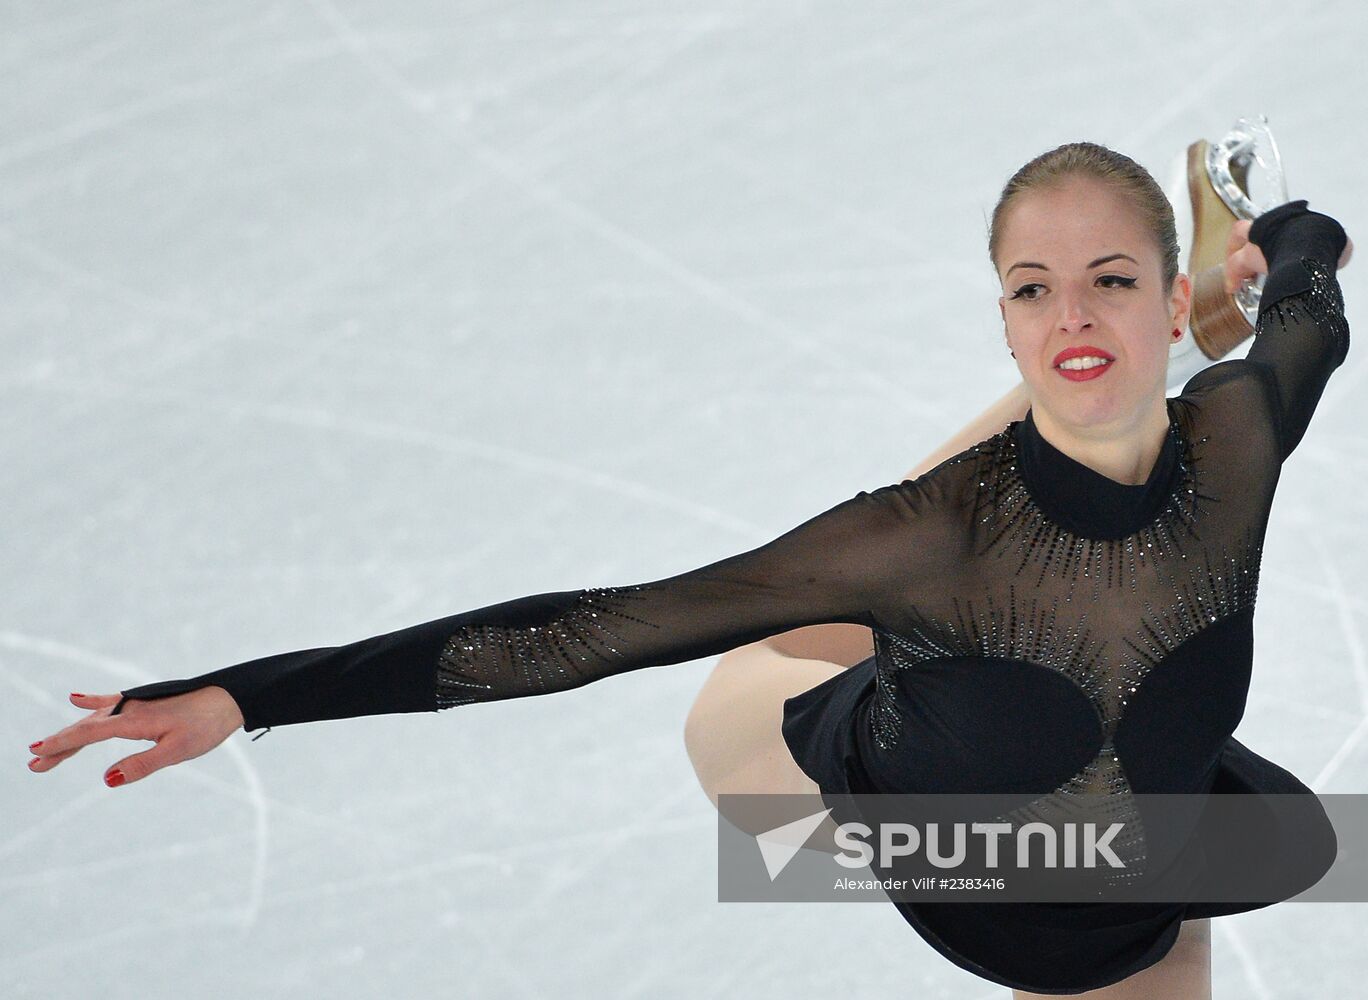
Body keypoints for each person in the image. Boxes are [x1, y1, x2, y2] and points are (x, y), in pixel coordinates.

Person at [26, 141, 1354, 998]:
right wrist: (248, 697)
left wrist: (1284, 234)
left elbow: (1315, 300)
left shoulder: (1237, 433)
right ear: (1000, 314)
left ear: (1173, 305)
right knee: (925, 557)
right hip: (807, 770)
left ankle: (1120, 386)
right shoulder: (916, 537)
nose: (1066, 313)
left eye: (1111, 283)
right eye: (1030, 291)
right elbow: (573, 636)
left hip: (1116, 870)